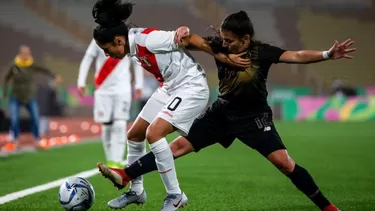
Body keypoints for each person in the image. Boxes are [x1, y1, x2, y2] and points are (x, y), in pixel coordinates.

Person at [98, 11, 356, 211]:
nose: (224, 43)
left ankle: (327, 206)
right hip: (221, 113)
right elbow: (191, 39)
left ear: (245, 39)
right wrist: (182, 31)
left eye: (229, 40)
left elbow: (297, 55)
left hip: (253, 118)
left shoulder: (261, 52)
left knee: (284, 164)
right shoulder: (220, 47)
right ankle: (126, 175)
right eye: (222, 38)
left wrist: (326, 54)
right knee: (176, 147)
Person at [92, 1, 248, 210]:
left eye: (106, 48)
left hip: (191, 87)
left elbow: (187, 38)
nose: (106, 54)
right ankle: (136, 191)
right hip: (170, 87)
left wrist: (223, 57)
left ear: (118, 40)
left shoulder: (148, 40)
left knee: (154, 133)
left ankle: (175, 195)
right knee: (134, 134)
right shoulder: (132, 44)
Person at [78, 38, 144, 168]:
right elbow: (88, 58)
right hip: (103, 89)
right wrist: (81, 81)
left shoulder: (127, 38)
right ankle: (110, 160)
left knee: (120, 124)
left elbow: (136, 61)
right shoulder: (99, 38)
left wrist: (139, 84)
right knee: (107, 125)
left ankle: (117, 160)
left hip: (122, 89)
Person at [1, 45, 61, 153]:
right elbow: (6, 78)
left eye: (28, 53)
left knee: (35, 118)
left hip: (29, 96)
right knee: (14, 119)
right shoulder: (14, 65)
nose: (26, 55)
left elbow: (44, 69)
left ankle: (37, 140)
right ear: (20, 54)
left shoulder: (31, 64)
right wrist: (5, 93)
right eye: (24, 53)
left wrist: (54, 74)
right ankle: (15, 141)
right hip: (16, 96)